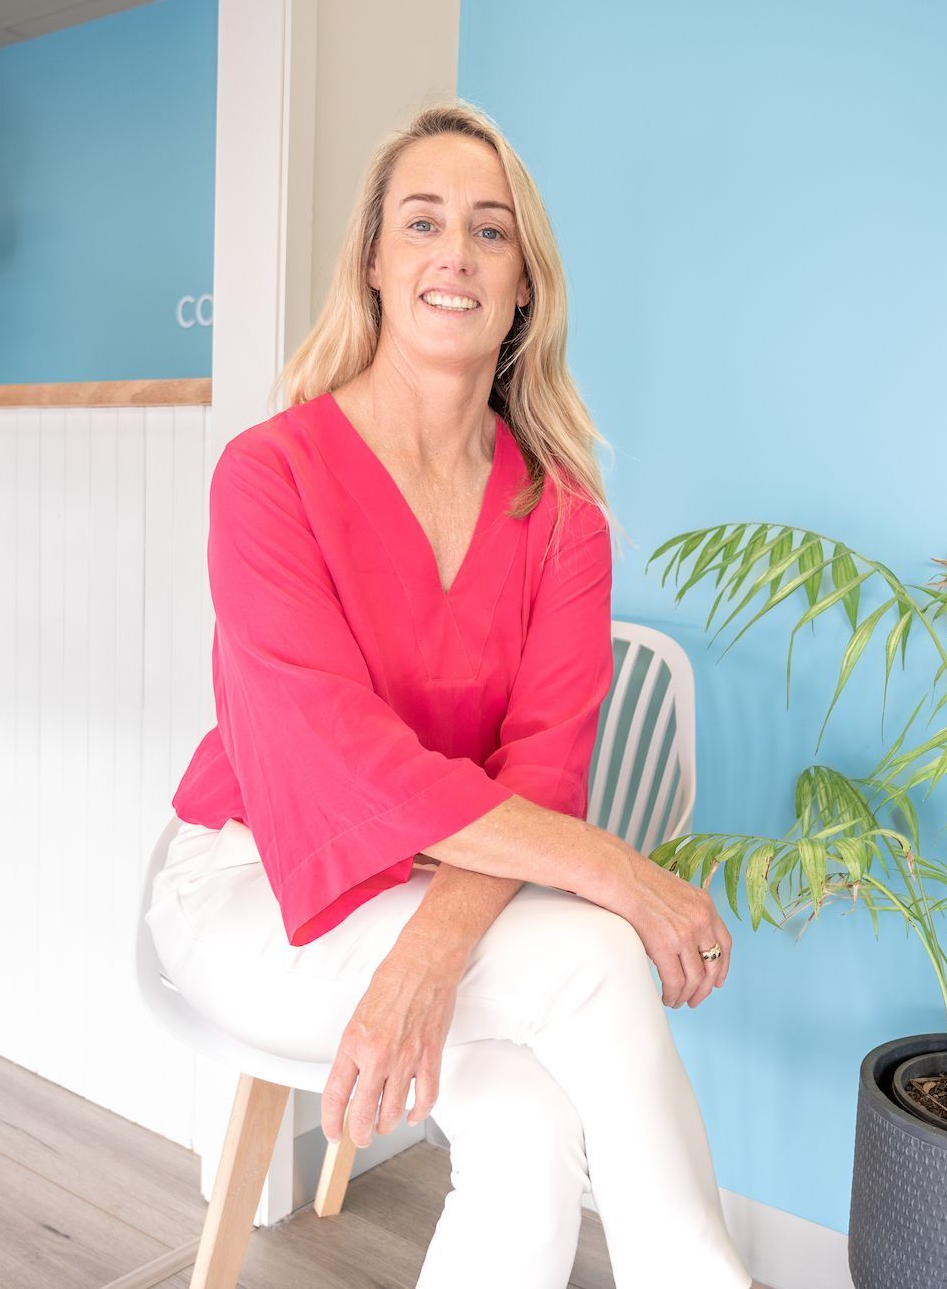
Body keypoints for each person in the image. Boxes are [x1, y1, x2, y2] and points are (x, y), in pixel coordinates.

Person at [146, 100, 753, 1289]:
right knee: (596, 953)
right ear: (374, 260)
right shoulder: (268, 477)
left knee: (530, 1127)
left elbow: (540, 774)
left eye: (490, 231)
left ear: (524, 284)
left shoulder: (565, 517)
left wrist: (427, 956)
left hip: (436, 897)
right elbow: (337, 761)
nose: (454, 254)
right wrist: (619, 872)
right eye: (422, 222)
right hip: (254, 884)